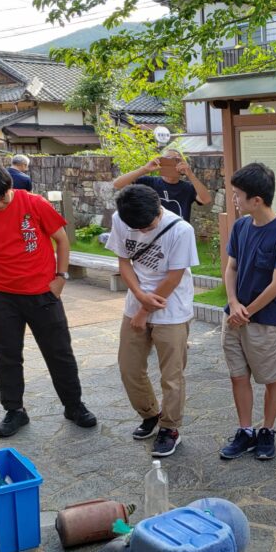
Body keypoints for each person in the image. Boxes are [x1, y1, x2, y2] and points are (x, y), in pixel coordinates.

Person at [0, 163, 97, 438]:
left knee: (60, 354)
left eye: (2, 196)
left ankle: (74, 406)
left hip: (43, 294)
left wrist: (61, 277)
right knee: (6, 357)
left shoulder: (34, 203)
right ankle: (14, 411)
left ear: (9, 185)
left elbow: (62, 239)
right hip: (1, 298)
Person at [106, 184, 198, 457]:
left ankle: (170, 428)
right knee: (129, 366)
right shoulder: (121, 219)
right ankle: (150, 414)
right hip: (136, 305)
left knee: (172, 376)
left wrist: (145, 310)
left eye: (149, 225)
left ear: (159, 209)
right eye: (139, 229)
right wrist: (138, 296)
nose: (145, 231)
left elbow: (174, 276)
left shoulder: (181, 230)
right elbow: (124, 262)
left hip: (172, 309)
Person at [219, 163, 276, 461]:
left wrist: (246, 311)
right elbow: (231, 267)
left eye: (238, 195)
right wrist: (234, 303)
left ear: (257, 200)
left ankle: (266, 430)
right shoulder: (240, 226)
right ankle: (245, 431)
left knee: (271, 379)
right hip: (235, 318)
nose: (234, 200)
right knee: (237, 377)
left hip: (267, 323)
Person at [112, 147, 212, 222]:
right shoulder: (149, 182)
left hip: (177, 236)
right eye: (168, 159)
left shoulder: (188, 188)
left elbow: (206, 199)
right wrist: (144, 169)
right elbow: (117, 184)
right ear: (161, 162)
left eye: (177, 160)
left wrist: (190, 174)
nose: (172, 163)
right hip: (153, 235)